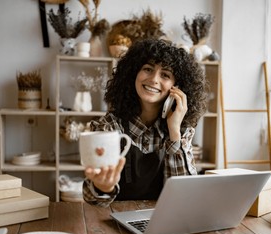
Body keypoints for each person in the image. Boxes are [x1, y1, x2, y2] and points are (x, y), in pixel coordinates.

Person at [83, 38, 208, 207]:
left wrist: (174, 131)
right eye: (148, 69)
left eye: (165, 74)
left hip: (161, 219)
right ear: (133, 74)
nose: (154, 79)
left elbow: (184, 197)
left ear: (177, 88)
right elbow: (92, 200)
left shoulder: (180, 130)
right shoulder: (110, 126)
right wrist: (102, 187)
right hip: (114, 221)